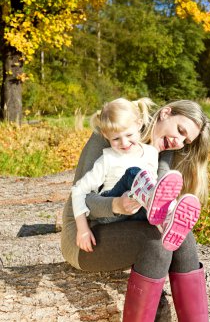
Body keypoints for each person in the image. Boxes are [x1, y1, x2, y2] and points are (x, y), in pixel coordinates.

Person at [61, 99, 210, 322]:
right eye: (180, 130)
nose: (178, 141)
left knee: (182, 237)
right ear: (165, 113)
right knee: (156, 244)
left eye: (185, 140)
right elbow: (82, 197)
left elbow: (160, 197)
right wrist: (116, 205)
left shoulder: (164, 151)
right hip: (86, 233)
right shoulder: (114, 130)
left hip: (129, 224)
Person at [71, 97, 199, 253]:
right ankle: (162, 206)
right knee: (135, 173)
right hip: (111, 212)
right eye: (116, 139)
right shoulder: (107, 158)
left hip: (137, 211)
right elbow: (79, 190)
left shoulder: (151, 153)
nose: (124, 143)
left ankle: (166, 219)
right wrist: (82, 229)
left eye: (129, 135)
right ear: (106, 135)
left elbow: (153, 184)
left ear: (138, 125)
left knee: (153, 191)